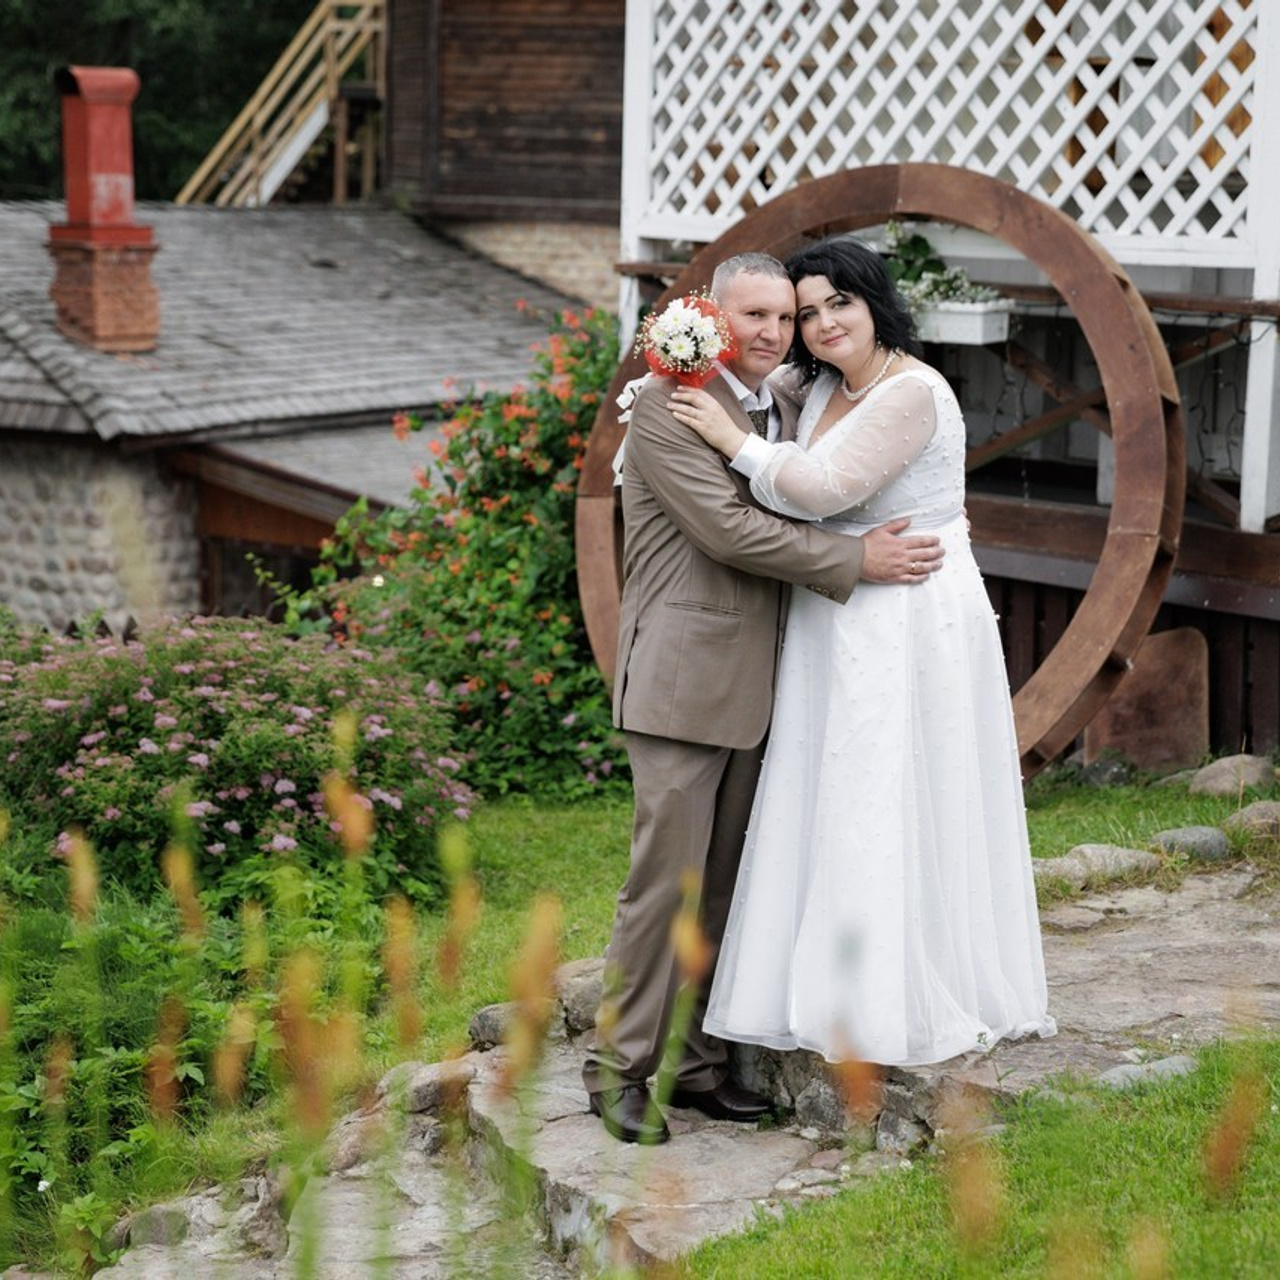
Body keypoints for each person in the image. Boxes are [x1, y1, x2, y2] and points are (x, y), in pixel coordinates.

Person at [582, 252, 947, 1144]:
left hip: (768, 679)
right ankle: (616, 1070)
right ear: (713, 316)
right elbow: (731, 528)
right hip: (681, 679)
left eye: (785, 319)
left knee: (726, 889)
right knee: (663, 887)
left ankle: (701, 1065)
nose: (775, 334)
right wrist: (856, 562)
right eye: (756, 317)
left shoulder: (780, 402)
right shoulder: (668, 413)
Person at [670, 236, 1056, 1068]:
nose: (817, 324)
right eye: (807, 313)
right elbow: (741, 367)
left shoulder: (911, 393)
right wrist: (685, 359)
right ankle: (814, 984)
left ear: (875, 301)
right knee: (826, 790)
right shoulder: (817, 384)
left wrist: (730, 441)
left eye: (836, 303)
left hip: (906, 615)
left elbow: (821, 490)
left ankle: (886, 999)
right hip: (833, 610)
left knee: (889, 793)